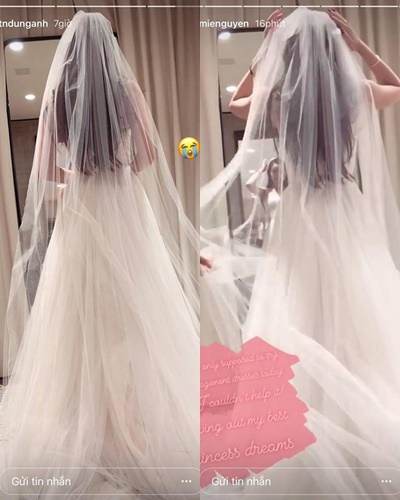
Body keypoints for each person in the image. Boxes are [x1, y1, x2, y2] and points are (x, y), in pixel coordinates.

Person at [201, 7, 400, 497]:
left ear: (288, 56)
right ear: (335, 50)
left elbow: (236, 103)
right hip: (344, 208)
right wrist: (358, 46)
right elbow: (396, 87)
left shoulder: (277, 99)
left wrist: (264, 50)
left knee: (297, 305)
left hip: (299, 211)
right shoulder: (354, 92)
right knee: (354, 304)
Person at [0, 11, 199, 499]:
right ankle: (136, 421)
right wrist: (117, 166)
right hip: (124, 206)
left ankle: (86, 416)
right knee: (135, 310)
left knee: (83, 313)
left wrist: (79, 173)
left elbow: (46, 169)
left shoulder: (56, 97)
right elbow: (147, 156)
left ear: (68, 52)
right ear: (109, 48)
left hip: (84, 208)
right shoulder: (127, 92)